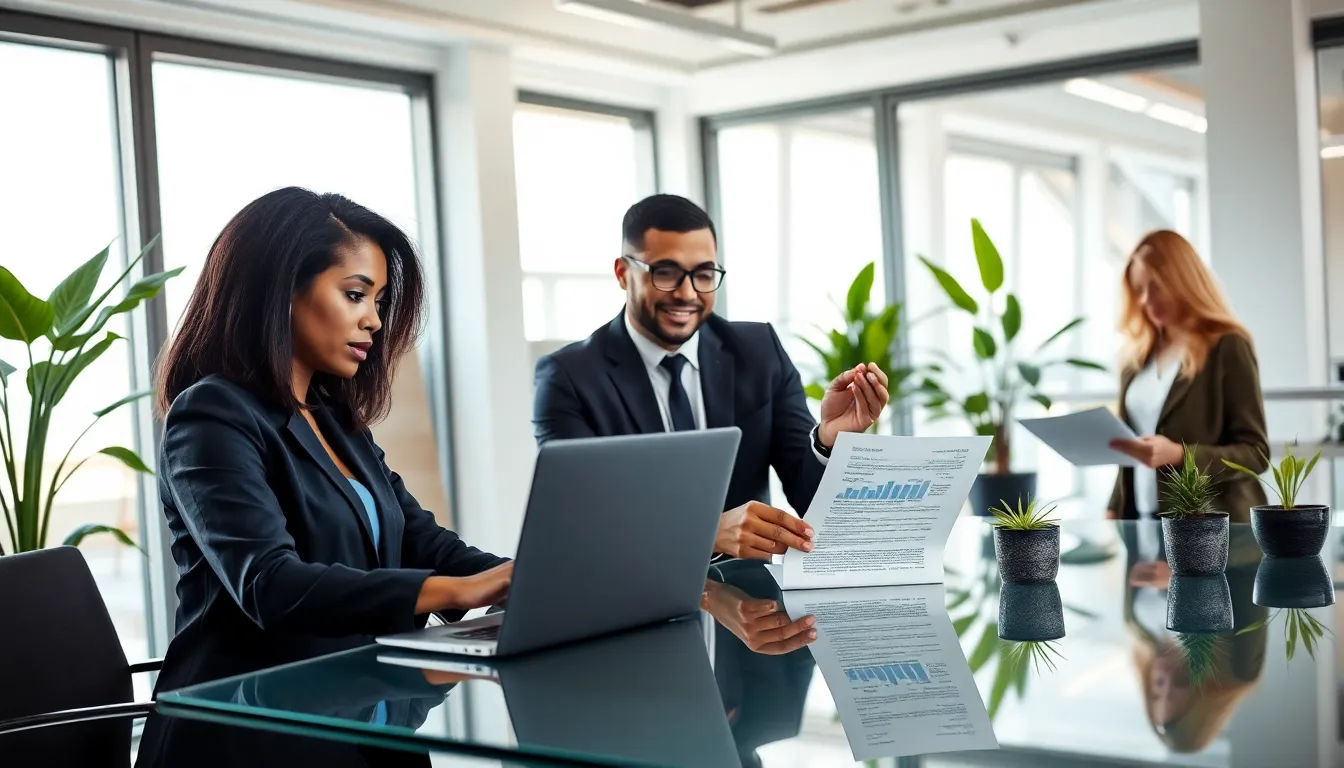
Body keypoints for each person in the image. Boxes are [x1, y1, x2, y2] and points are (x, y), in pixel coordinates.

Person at [136, 187, 511, 768]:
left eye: (379, 301)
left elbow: (420, 538)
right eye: (355, 295)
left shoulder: (333, 417)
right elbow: (271, 584)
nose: (375, 320)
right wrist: (460, 592)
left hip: (356, 710)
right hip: (248, 732)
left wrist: (523, 579)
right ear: (280, 290)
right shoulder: (211, 414)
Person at [532, 194, 891, 561]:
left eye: (704, 275)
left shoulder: (758, 351)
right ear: (624, 274)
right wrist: (705, 533)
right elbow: (582, 522)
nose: (687, 293)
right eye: (666, 272)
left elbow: (810, 502)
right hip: (631, 587)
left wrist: (829, 439)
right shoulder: (568, 378)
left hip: (745, 591)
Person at [1106, 230, 1269, 524]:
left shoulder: (1227, 346)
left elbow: (1255, 453)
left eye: (1155, 287)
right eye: (1138, 290)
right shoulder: (1135, 359)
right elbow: (1131, 449)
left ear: (1182, 281)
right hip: (1143, 521)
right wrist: (1114, 506)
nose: (1145, 300)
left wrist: (1180, 455)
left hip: (1211, 526)